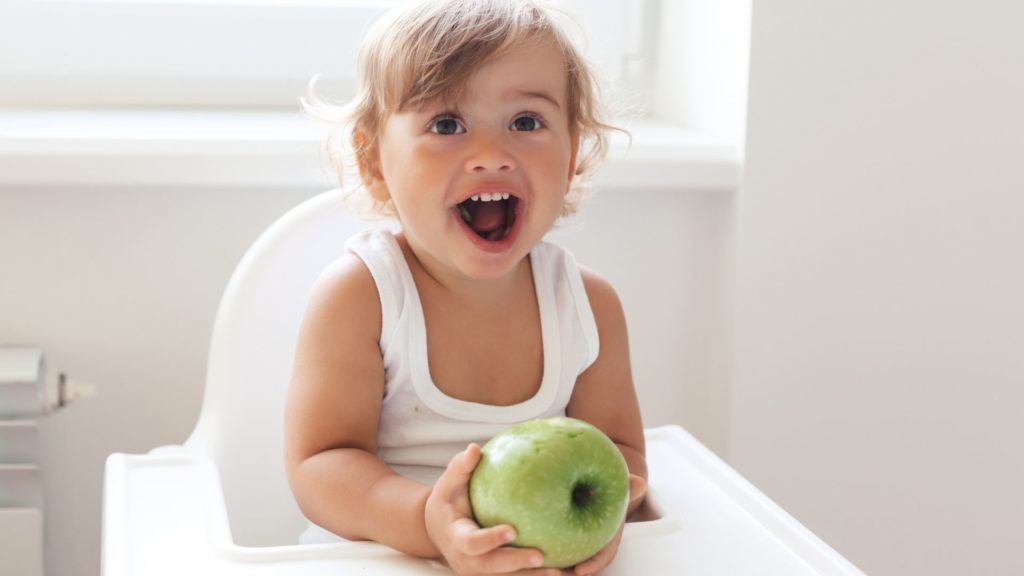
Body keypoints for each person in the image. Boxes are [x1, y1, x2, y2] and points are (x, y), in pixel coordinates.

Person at [284, 1, 646, 574]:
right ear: (374, 160)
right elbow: (322, 465)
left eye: (526, 122)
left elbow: (620, 456)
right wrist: (429, 520)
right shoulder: (364, 297)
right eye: (447, 125)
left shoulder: (588, 306)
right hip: (382, 557)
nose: (492, 157)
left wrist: (604, 518)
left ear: (572, 152)